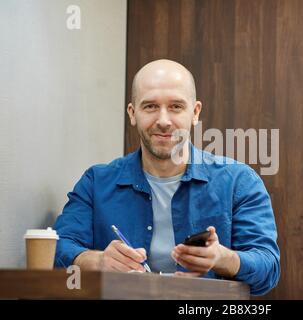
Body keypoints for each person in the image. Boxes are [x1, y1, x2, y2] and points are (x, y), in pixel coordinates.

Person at [53, 59, 280, 295]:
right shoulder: (95, 182)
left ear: (195, 112)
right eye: (150, 106)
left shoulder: (239, 182)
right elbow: (58, 248)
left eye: (176, 107)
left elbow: (268, 269)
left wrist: (222, 258)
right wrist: (97, 261)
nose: (163, 121)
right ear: (132, 113)